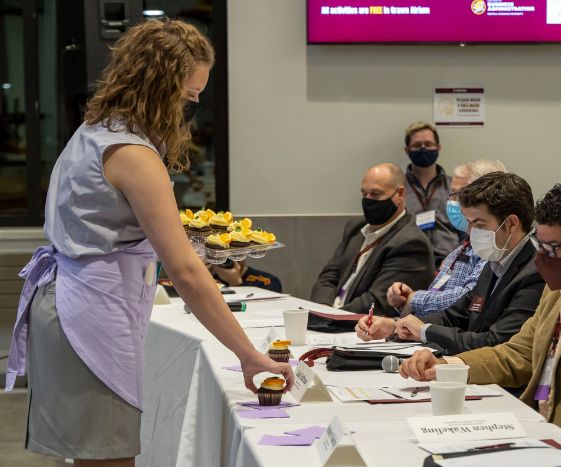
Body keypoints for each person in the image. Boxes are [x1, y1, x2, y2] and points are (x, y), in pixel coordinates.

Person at [4, 20, 292, 466]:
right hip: (91, 315)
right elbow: (187, 271)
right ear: (160, 86)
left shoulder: (94, 131)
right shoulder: (134, 155)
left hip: (70, 301)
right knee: (109, 457)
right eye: (189, 95)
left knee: (96, 455)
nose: (192, 106)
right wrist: (250, 356)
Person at [399, 180, 561, 448]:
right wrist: (446, 367)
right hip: (536, 432)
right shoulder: (555, 292)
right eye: (542, 246)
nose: (542, 258)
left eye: (553, 248)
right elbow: (516, 354)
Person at [356, 172, 544, 354]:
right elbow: (456, 314)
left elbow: (497, 342)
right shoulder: (498, 258)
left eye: (479, 225)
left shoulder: (537, 270)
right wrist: (396, 325)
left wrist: (424, 331)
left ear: (511, 223)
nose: (471, 232)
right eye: (470, 223)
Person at [310, 163, 435, 315]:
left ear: (400, 194)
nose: (368, 200)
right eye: (364, 194)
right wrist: (323, 308)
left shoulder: (411, 243)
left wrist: (332, 318)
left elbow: (378, 301)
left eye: (376, 194)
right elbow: (329, 276)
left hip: (360, 327)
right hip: (331, 315)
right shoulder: (356, 227)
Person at [387, 159, 506, 317]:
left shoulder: (492, 246)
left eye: (457, 195)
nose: (450, 202)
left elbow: (470, 297)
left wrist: (414, 299)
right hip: (431, 329)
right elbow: (437, 294)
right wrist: (405, 300)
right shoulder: (461, 248)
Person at [402, 121, 459, 267]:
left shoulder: (455, 186)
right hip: (408, 261)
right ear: (407, 150)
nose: (423, 148)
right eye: (416, 145)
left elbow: (467, 227)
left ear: (438, 148)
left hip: (450, 262)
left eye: (428, 144)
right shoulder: (397, 188)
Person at [209, 260, 283, 293]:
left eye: (234, 255)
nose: (227, 259)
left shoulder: (266, 281)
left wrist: (235, 282)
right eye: (221, 257)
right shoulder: (208, 280)